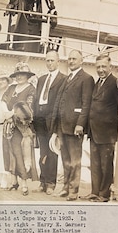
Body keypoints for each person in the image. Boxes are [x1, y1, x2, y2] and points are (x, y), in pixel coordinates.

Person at [51, 50, 94, 201]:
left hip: (75, 126)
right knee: (65, 159)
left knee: (75, 160)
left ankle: (73, 191)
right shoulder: (67, 77)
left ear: (81, 61)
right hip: (63, 126)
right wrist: (56, 126)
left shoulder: (87, 79)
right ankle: (65, 187)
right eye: (69, 59)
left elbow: (86, 104)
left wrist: (80, 125)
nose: (71, 61)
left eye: (74, 59)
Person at [81, 54, 118, 202]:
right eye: (98, 67)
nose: (101, 69)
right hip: (94, 131)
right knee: (95, 164)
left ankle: (104, 195)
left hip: (107, 133)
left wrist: (116, 132)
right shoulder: (98, 82)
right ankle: (95, 191)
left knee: (106, 166)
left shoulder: (116, 83)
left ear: (110, 67)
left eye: (104, 66)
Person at [2, 62, 38, 196]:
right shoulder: (11, 88)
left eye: (22, 74)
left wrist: (12, 113)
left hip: (22, 127)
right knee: (9, 152)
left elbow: (28, 107)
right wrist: (6, 112)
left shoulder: (31, 89)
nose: (19, 77)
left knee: (20, 153)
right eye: (17, 75)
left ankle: (24, 183)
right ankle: (13, 181)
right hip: (9, 126)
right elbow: (3, 100)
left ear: (27, 76)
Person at [33, 51, 66, 195]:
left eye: (52, 60)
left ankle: (51, 183)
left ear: (58, 62)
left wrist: (58, 124)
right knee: (42, 152)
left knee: (52, 151)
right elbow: (36, 99)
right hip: (40, 119)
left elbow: (62, 103)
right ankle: (42, 181)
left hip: (52, 119)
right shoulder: (41, 79)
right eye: (47, 60)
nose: (49, 63)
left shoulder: (63, 79)